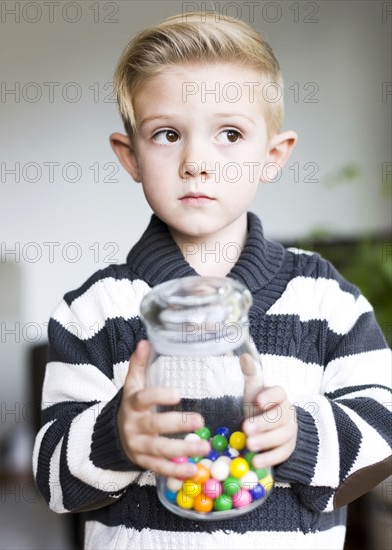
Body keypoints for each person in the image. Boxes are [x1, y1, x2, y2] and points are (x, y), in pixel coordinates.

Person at [33, 12, 392, 550]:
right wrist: (117, 439)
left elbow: (382, 436)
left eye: (229, 133)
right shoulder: (92, 311)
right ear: (130, 156)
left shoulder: (329, 301)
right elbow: (52, 480)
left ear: (272, 156)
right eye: (167, 134)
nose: (197, 161)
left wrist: (303, 437)